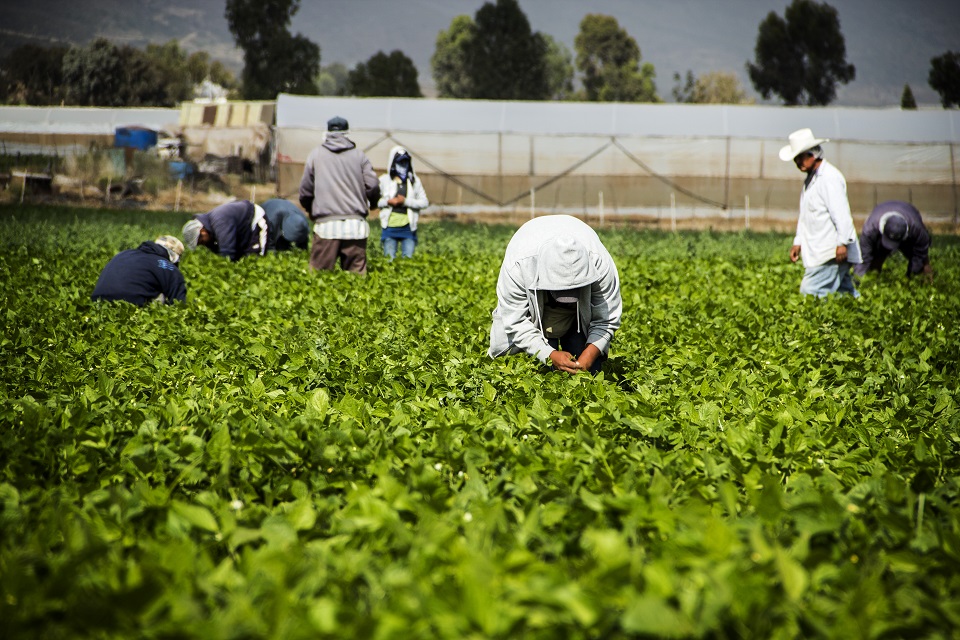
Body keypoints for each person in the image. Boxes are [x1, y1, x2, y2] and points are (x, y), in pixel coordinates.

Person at [488, 215, 622, 375]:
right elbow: (516, 321)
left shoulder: (599, 264)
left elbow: (607, 318)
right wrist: (549, 355)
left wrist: (588, 355)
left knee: (589, 372)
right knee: (532, 371)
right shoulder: (519, 265)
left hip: (577, 316)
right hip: (537, 305)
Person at [780, 128, 862, 297]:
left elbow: (841, 214)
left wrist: (842, 243)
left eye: (801, 157)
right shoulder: (811, 180)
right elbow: (806, 216)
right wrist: (798, 242)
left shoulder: (829, 178)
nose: (797, 162)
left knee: (810, 291)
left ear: (813, 154)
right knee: (844, 293)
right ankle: (867, 319)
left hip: (830, 251)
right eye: (795, 158)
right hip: (819, 248)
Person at [299, 116, 379, 274]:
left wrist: (310, 209)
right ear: (347, 134)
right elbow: (373, 185)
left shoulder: (315, 155)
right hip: (355, 226)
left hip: (326, 226)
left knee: (319, 279)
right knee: (356, 280)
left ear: (327, 133)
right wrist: (374, 203)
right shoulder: (359, 156)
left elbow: (305, 190)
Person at [91, 235, 186, 305]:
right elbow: (179, 305)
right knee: (162, 298)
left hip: (97, 301)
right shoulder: (169, 267)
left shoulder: (124, 254)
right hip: (130, 305)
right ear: (174, 258)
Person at [854, 200, 933, 283]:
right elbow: (863, 258)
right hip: (880, 221)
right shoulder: (870, 229)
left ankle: (925, 284)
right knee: (876, 258)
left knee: (922, 264)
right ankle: (874, 280)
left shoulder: (917, 229)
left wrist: (911, 277)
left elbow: (920, 254)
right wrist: (858, 280)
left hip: (910, 214)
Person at [377, 145, 429, 259]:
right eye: (400, 163)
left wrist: (405, 201)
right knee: (389, 259)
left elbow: (424, 202)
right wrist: (388, 202)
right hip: (389, 227)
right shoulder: (384, 180)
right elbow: (373, 202)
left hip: (408, 229)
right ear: (393, 163)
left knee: (408, 259)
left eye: (405, 162)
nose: (403, 166)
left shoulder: (414, 181)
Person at [182, 200, 267, 261]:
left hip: (254, 219)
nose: (203, 245)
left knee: (256, 257)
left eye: (201, 242)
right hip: (242, 229)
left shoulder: (220, 222)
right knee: (242, 257)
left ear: (202, 231)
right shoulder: (210, 228)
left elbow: (227, 251)